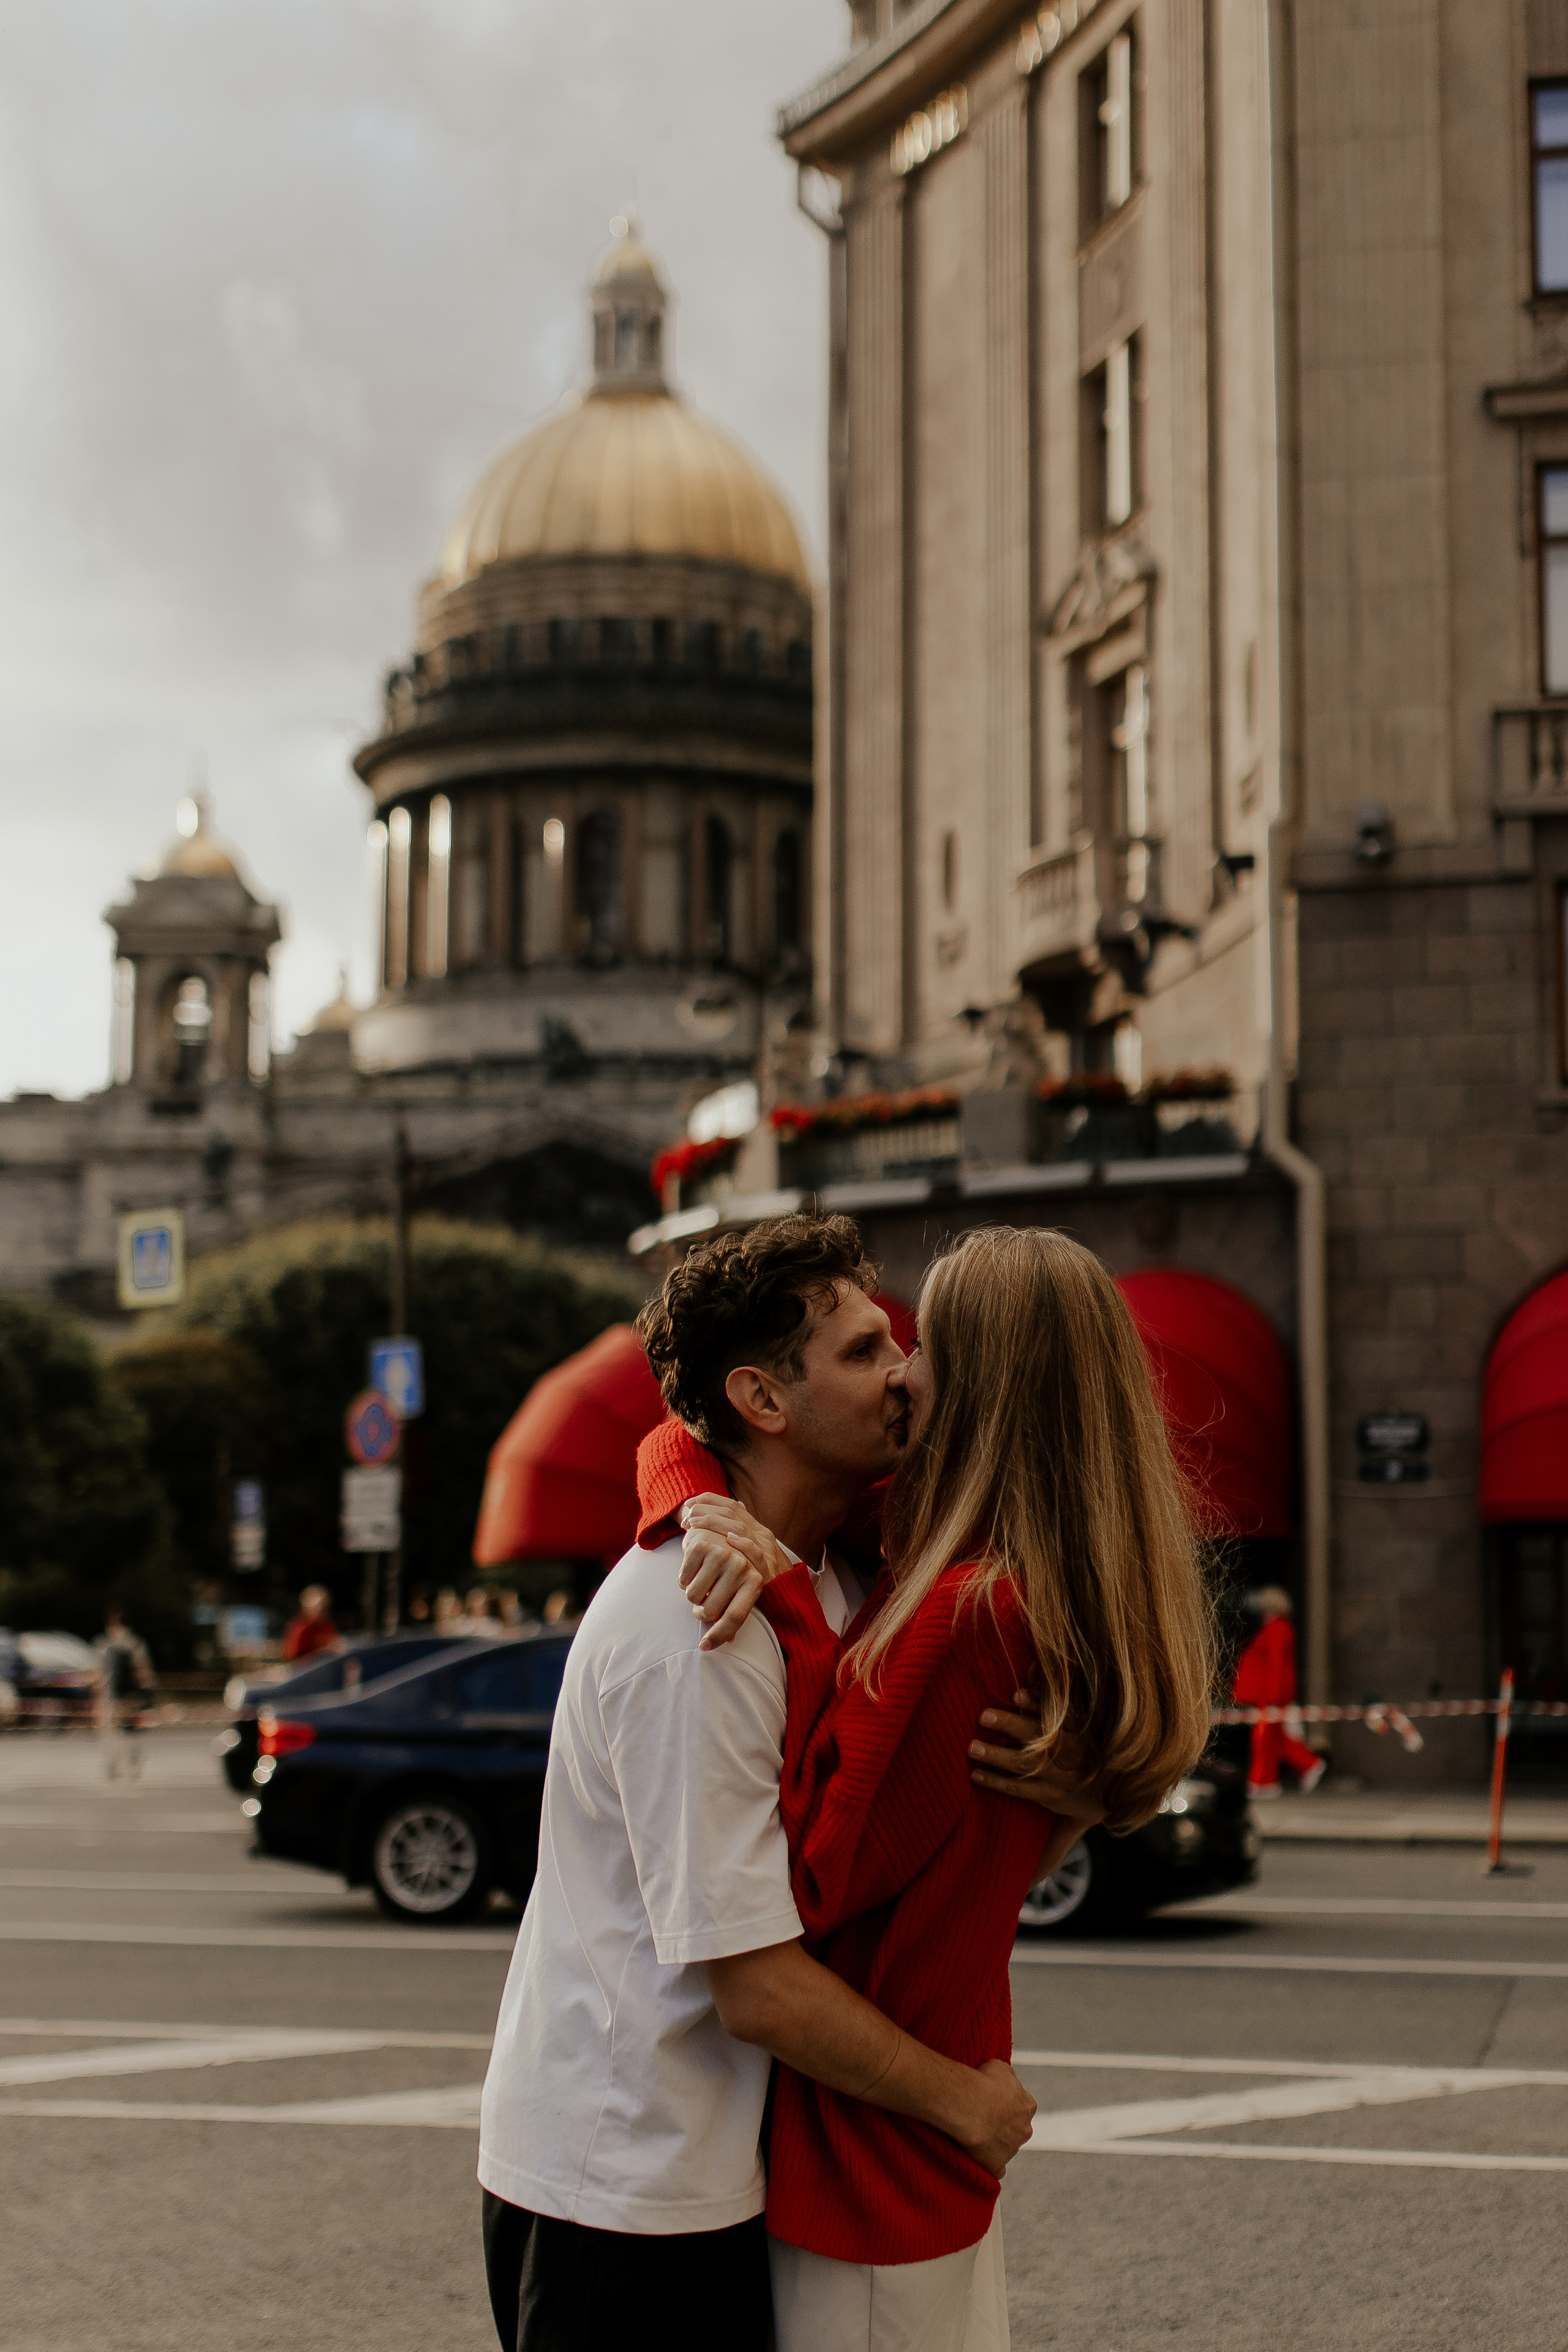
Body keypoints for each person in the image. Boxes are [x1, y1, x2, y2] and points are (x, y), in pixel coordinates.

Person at [478, 1216, 1053, 2352]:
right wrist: (965, 2106)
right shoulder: (699, 1620)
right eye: (861, 1352)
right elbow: (758, 1989)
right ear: (763, 1398)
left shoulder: (841, 1569)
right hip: (627, 2186)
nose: (901, 1376)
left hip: (722, 2161)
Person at [644, 1221, 1216, 2352]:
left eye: (924, 1346)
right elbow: (703, 1429)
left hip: (871, 2161)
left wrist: (787, 1609)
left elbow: (807, 1886)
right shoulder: (1032, 1580)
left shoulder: (959, 1618)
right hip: (933, 2125)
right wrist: (692, 1500)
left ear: (983, 1388)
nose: (903, 1371)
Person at [1233, 1586, 1325, 1799]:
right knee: (1274, 1739)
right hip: (1271, 1696)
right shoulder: (1279, 1628)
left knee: (1264, 1739)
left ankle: (1263, 1782)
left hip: (1271, 1697)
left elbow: (1276, 1666)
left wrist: (1273, 1697)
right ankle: (1301, 1767)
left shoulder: (1277, 1629)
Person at [94, 1607, 154, 1781]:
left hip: (110, 1696)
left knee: (109, 1733)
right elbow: (144, 1672)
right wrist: (148, 1695)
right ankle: (133, 1765)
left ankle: (112, 1766)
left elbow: (97, 1673)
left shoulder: (103, 1643)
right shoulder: (135, 1643)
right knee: (132, 1732)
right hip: (132, 1697)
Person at [280, 1585, 341, 1664]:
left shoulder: (327, 1626)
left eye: (326, 1608)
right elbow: (292, 1656)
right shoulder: (300, 1628)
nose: (324, 1612)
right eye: (321, 1608)